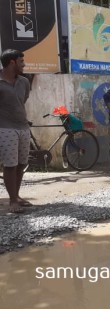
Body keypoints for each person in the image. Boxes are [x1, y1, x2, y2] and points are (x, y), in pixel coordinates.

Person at [0, 49, 31, 214]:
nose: (24, 65)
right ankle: (12, 200)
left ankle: (17, 196)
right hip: (4, 127)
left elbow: (23, 100)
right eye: (21, 62)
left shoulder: (24, 82)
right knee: (10, 165)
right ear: (12, 62)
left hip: (23, 127)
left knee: (21, 164)